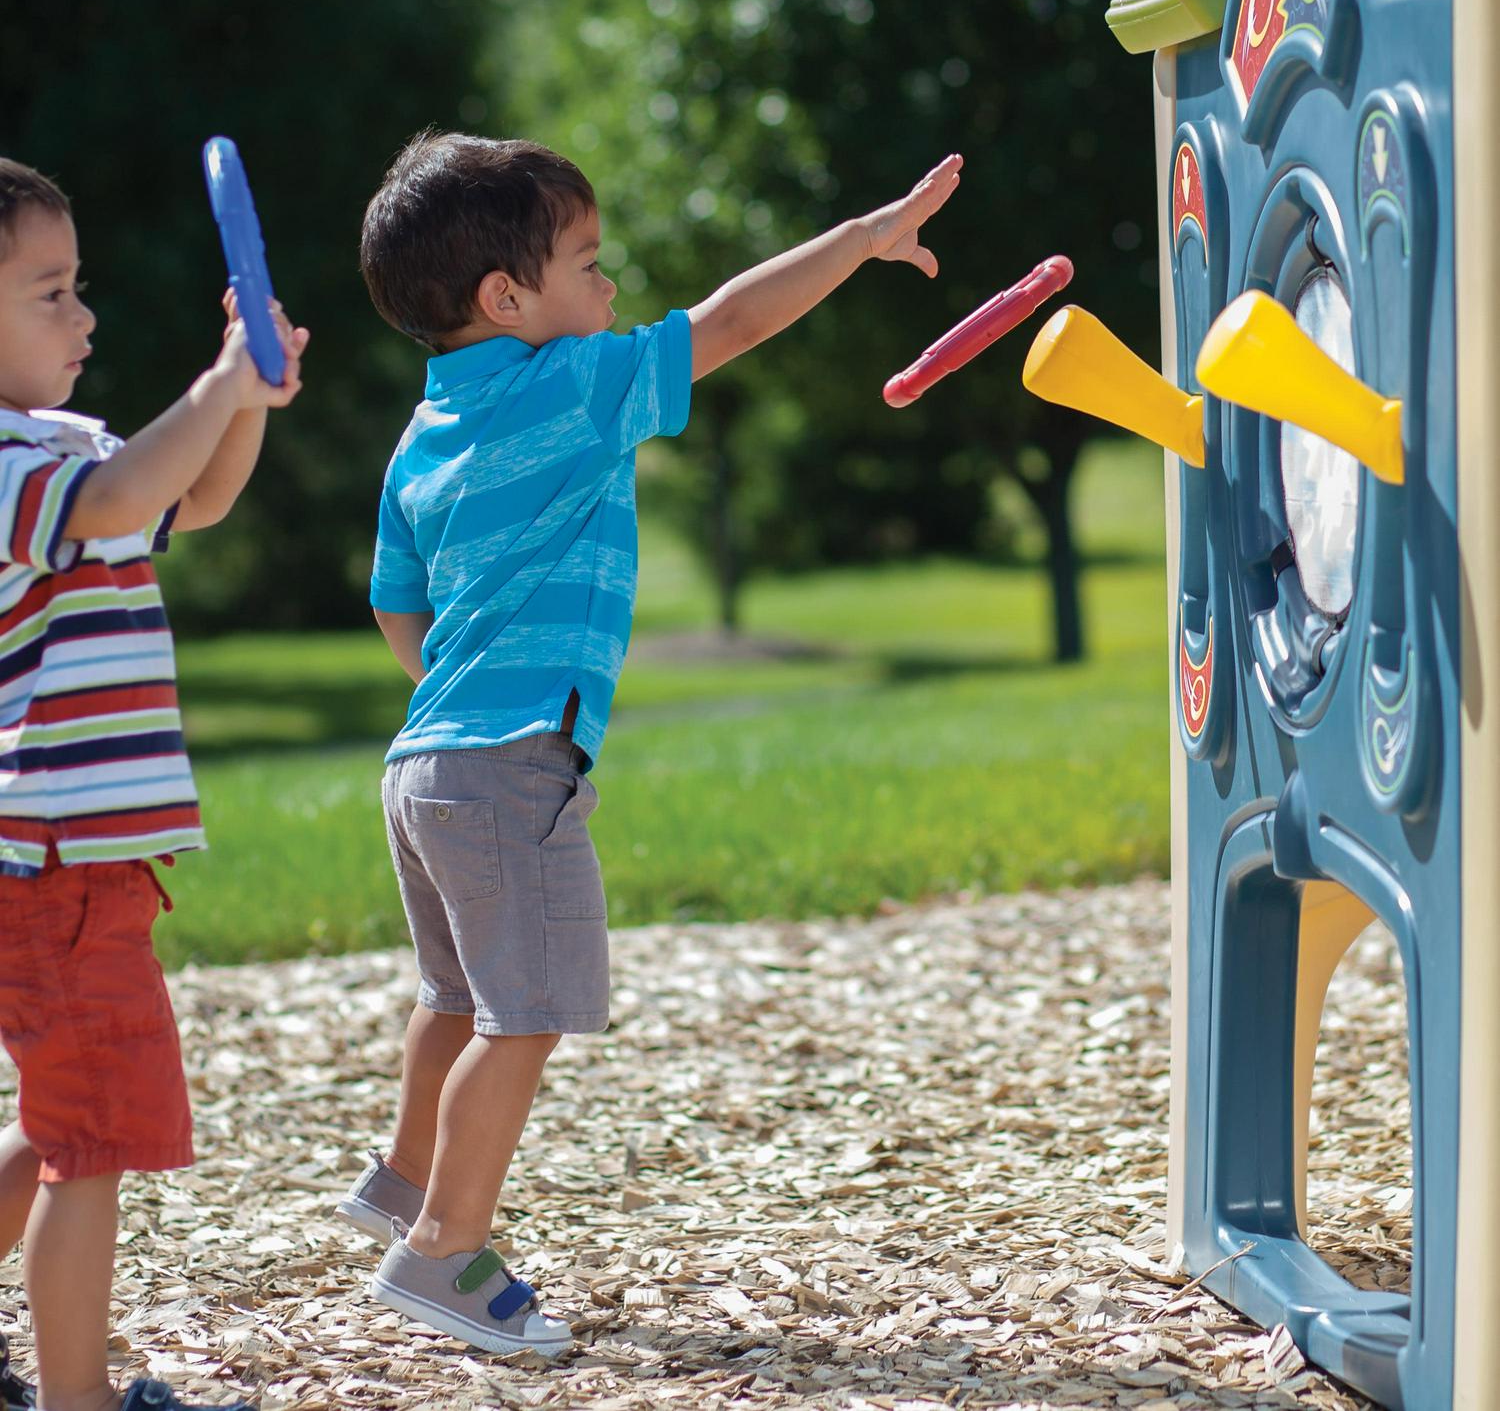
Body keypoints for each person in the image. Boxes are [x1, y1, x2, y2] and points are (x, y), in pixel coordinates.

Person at [342, 131, 961, 1354]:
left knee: (455, 996)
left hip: (422, 766)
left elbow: (393, 608)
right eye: (588, 263)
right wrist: (860, 240)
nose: (611, 288)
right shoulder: (575, 383)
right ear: (504, 299)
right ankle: (443, 1253)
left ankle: (405, 1179)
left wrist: (458, 690)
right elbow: (729, 324)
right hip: (512, 761)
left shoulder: (421, 437)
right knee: (525, 1016)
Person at [0, 158, 309, 1411]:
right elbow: (126, 494)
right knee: (93, 1143)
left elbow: (200, 492)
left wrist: (248, 395)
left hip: (87, 861)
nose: (84, 318)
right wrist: (221, 384)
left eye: (81, 290)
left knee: (62, 1119)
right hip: (55, 861)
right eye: (50, 293)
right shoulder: (10, 467)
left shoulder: (65, 442)